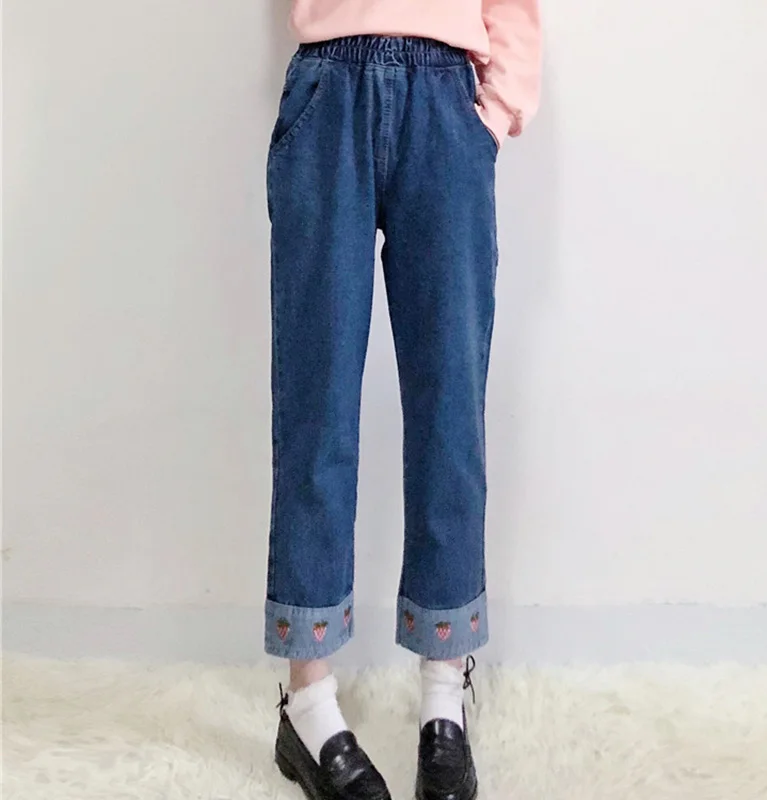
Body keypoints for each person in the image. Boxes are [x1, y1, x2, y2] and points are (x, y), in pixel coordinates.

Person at [265, 2, 541, 798]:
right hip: (329, 92)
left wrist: (494, 110)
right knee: (316, 406)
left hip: (448, 100)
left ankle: (444, 698)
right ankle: (308, 702)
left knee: (450, 409)